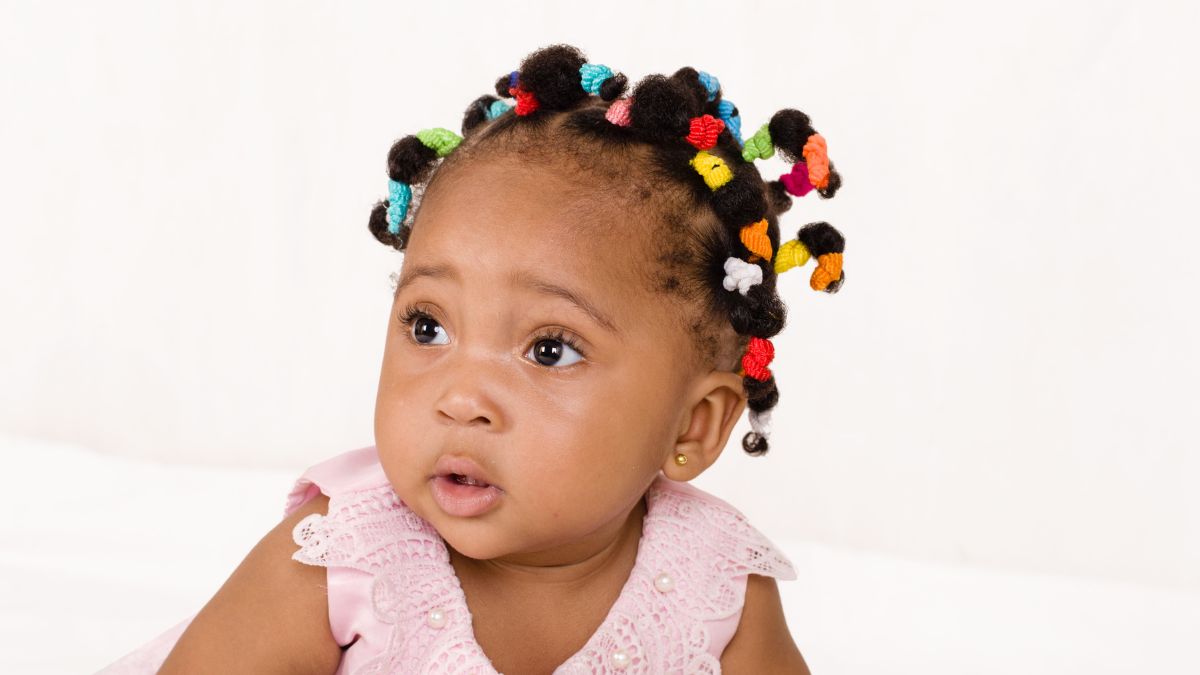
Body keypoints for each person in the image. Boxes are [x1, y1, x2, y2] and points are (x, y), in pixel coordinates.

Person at [98, 42, 846, 674]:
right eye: (428, 326)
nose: (459, 396)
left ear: (693, 424)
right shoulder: (343, 560)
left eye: (548, 349)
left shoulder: (713, 587)